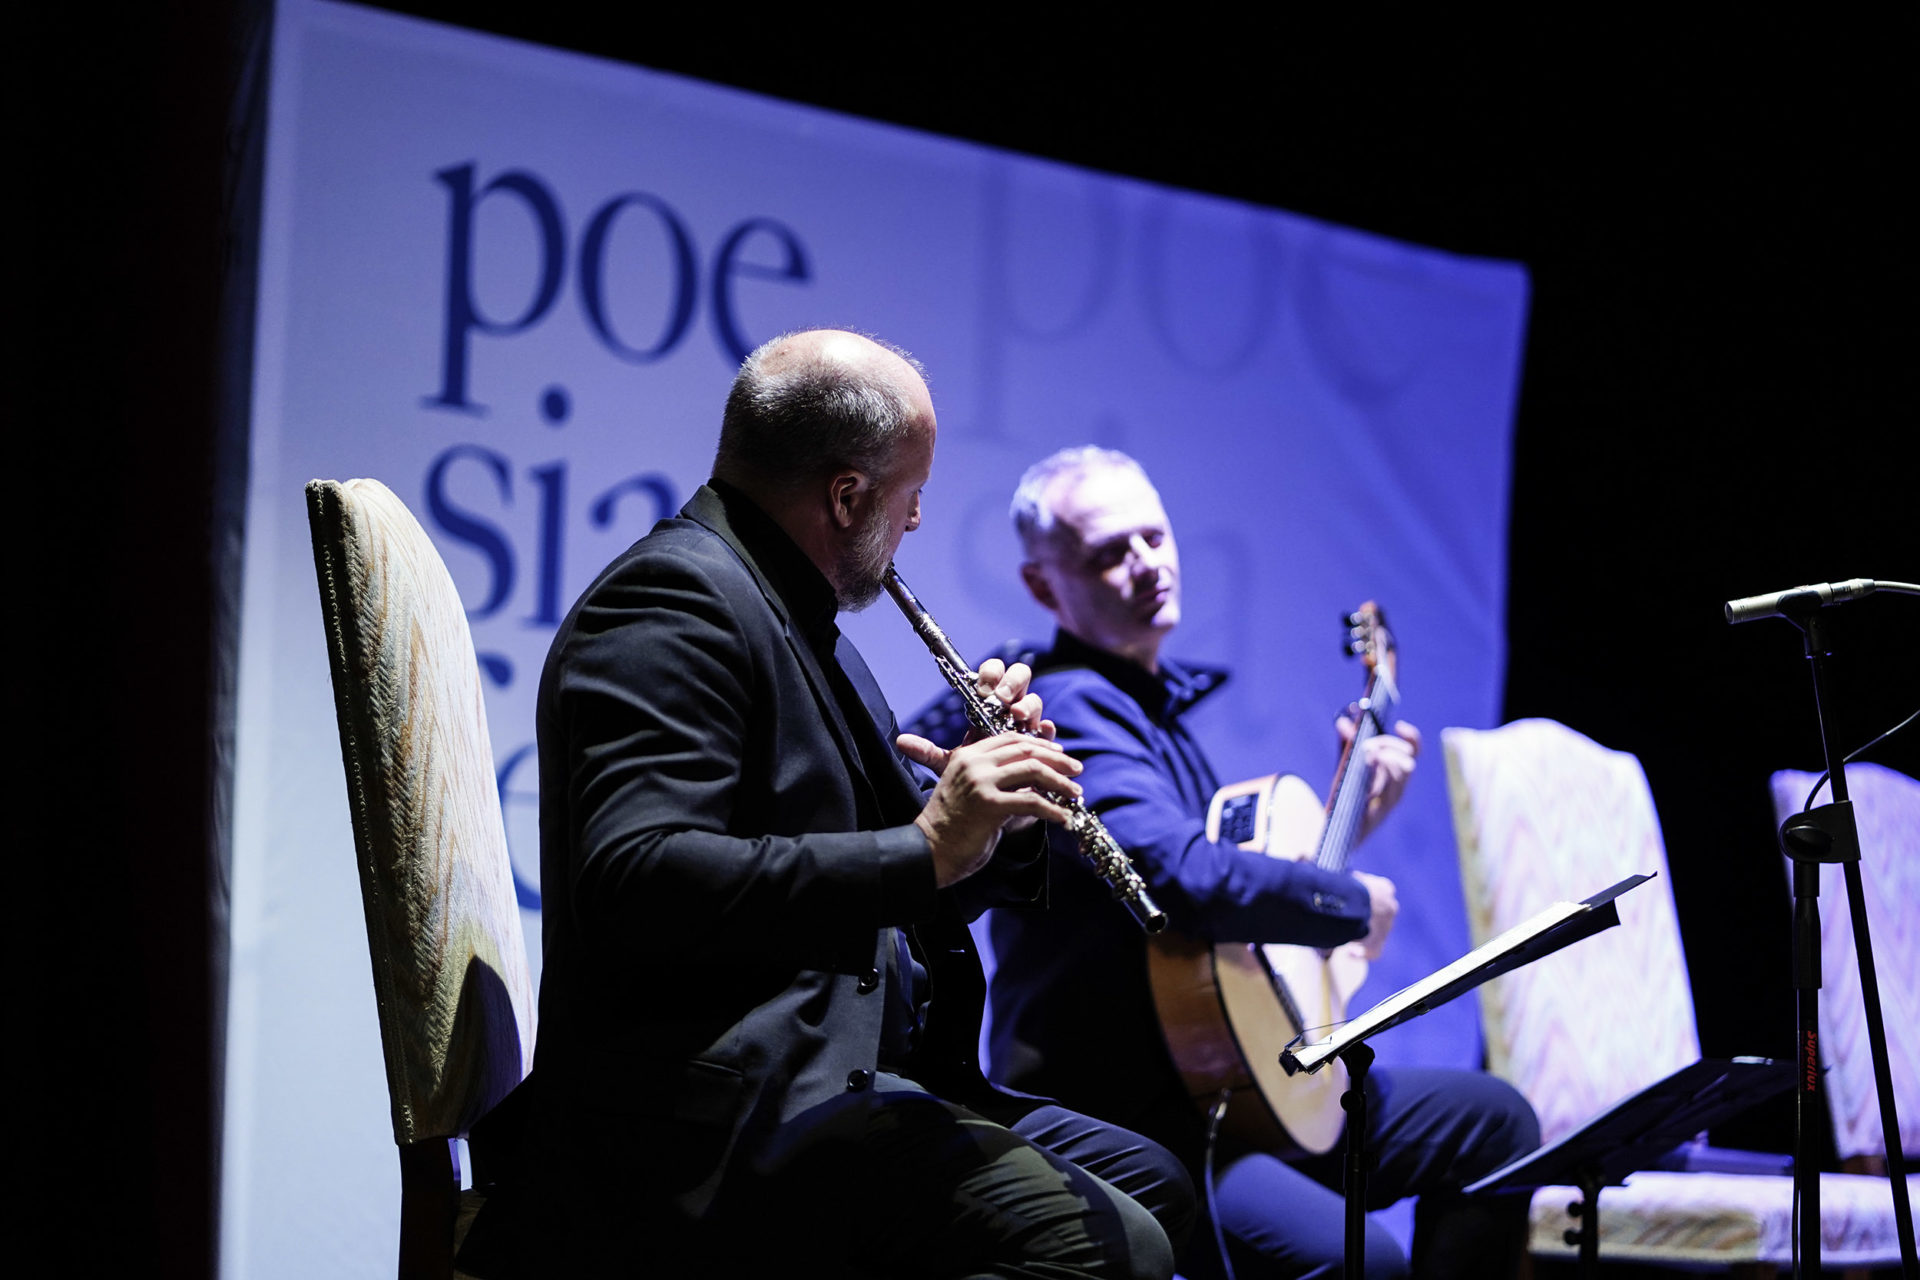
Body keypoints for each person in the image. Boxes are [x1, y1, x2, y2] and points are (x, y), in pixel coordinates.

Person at [522, 335, 1193, 1278]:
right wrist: (925, 844)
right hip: (719, 1122)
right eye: (911, 493)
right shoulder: (673, 601)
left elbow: (888, 874)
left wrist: (984, 823)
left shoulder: (799, 618)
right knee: (1107, 1250)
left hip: (848, 1075)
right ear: (847, 497)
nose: (916, 521)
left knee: (1156, 1180)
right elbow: (636, 879)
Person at [986, 446, 1539, 1280]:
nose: (1147, 565)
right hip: (1144, 1113)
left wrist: (1352, 823)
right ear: (1042, 586)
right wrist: (1347, 899)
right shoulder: (1072, 707)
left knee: (1491, 1120)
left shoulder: (1149, 711)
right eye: (1110, 552)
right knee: (1360, 1264)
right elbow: (1177, 878)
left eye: (1154, 537)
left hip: (1232, 1084)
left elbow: (1218, 956)